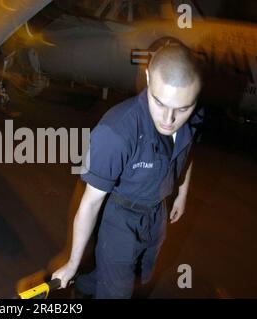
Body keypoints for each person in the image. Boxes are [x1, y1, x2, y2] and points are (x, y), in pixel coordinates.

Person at [51, 43, 204, 298]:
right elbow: (90, 203)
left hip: (157, 214)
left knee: (141, 275)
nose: (169, 119)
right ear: (147, 77)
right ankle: (91, 280)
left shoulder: (196, 115)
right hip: (121, 219)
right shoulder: (116, 132)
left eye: (182, 109)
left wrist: (182, 193)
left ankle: (86, 285)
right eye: (159, 102)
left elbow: (187, 153)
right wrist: (71, 263)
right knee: (118, 290)